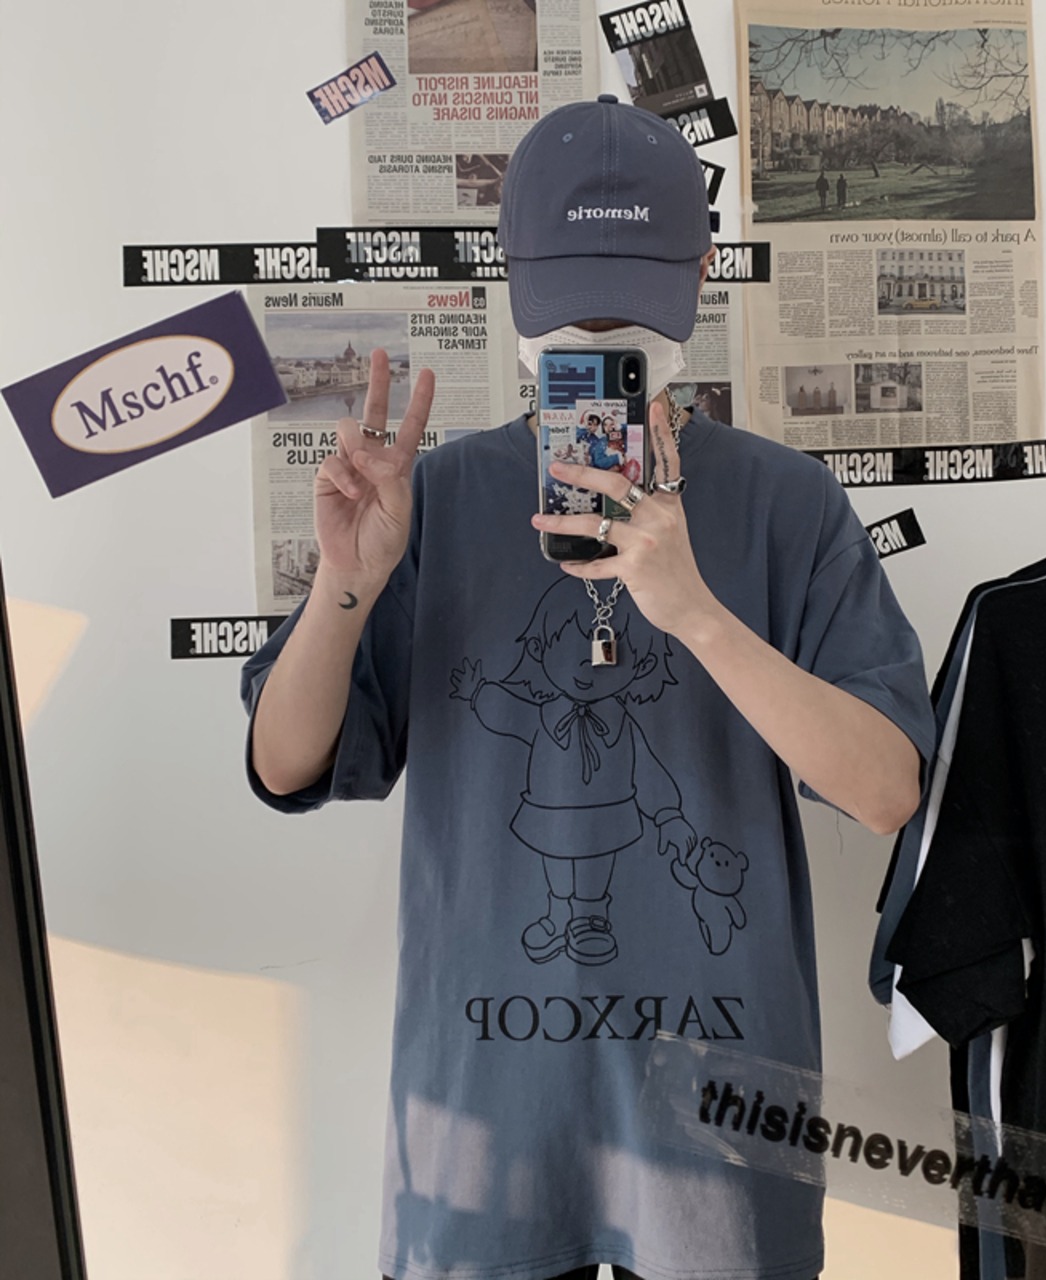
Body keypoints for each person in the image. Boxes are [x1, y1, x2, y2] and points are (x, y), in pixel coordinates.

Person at [243, 94, 932, 1280]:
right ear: (514, 287)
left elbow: (883, 791)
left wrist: (695, 610)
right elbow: (283, 761)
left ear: (700, 274)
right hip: (483, 1110)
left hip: (718, 1112)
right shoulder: (432, 498)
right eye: (572, 305)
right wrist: (345, 585)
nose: (600, 334)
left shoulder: (785, 503)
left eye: (627, 306)